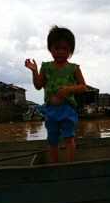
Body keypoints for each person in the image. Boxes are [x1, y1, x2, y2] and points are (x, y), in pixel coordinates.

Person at [25, 26, 87, 163]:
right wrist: (34, 71)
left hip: (67, 109)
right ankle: (55, 167)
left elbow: (83, 87)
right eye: (56, 48)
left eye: (65, 49)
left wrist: (68, 89)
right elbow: (38, 86)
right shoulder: (46, 67)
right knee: (52, 140)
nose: (60, 52)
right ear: (50, 49)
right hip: (51, 110)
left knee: (68, 138)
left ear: (71, 51)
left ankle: (70, 166)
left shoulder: (74, 68)